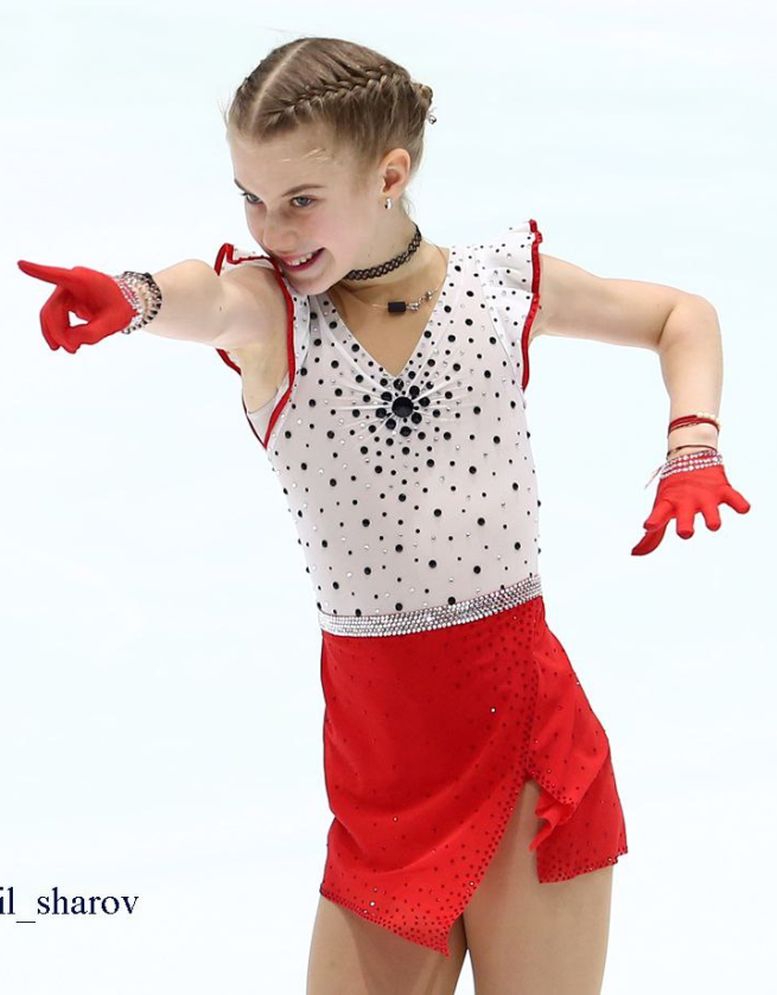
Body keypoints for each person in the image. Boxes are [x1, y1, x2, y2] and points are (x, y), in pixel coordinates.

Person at [17, 34, 751, 995]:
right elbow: (209, 296)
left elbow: (679, 315)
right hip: (383, 766)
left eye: (299, 199)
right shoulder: (274, 315)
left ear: (390, 175)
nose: (271, 228)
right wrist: (136, 295)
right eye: (250, 197)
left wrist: (692, 442)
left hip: (527, 733)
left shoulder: (501, 284)